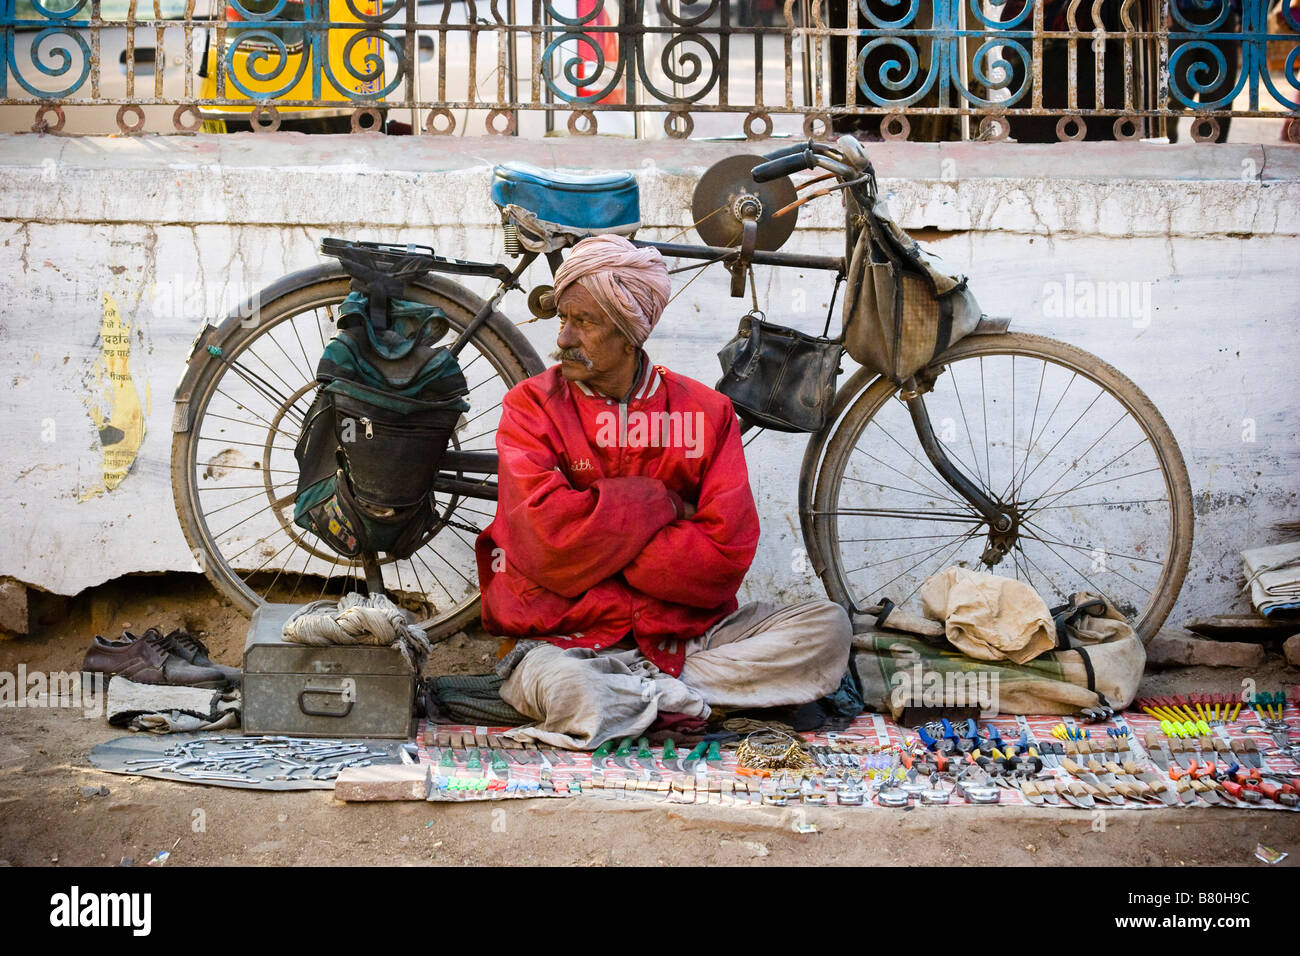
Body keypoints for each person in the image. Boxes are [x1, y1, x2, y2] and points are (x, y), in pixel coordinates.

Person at [473, 234, 853, 750]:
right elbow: (547, 542)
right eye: (563, 318)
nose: (563, 337)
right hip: (567, 642)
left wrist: (599, 535)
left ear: (629, 335)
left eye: (584, 322)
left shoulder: (707, 412)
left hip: (688, 640)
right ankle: (694, 700)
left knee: (827, 629)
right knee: (567, 685)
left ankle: (646, 698)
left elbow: (723, 558)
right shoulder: (531, 407)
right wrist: (664, 504)